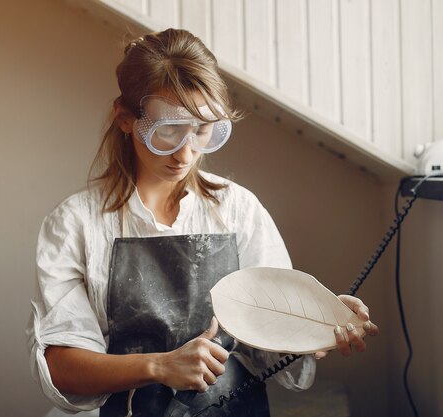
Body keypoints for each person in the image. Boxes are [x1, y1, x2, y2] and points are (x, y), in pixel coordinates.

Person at [26, 28, 378, 417]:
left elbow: (271, 333)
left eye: (202, 131)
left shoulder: (238, 209)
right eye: (168, 132)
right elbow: (62, 367)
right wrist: (160, 366)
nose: (186, 152)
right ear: (126, 119)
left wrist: (318, 321)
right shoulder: (76, 224)